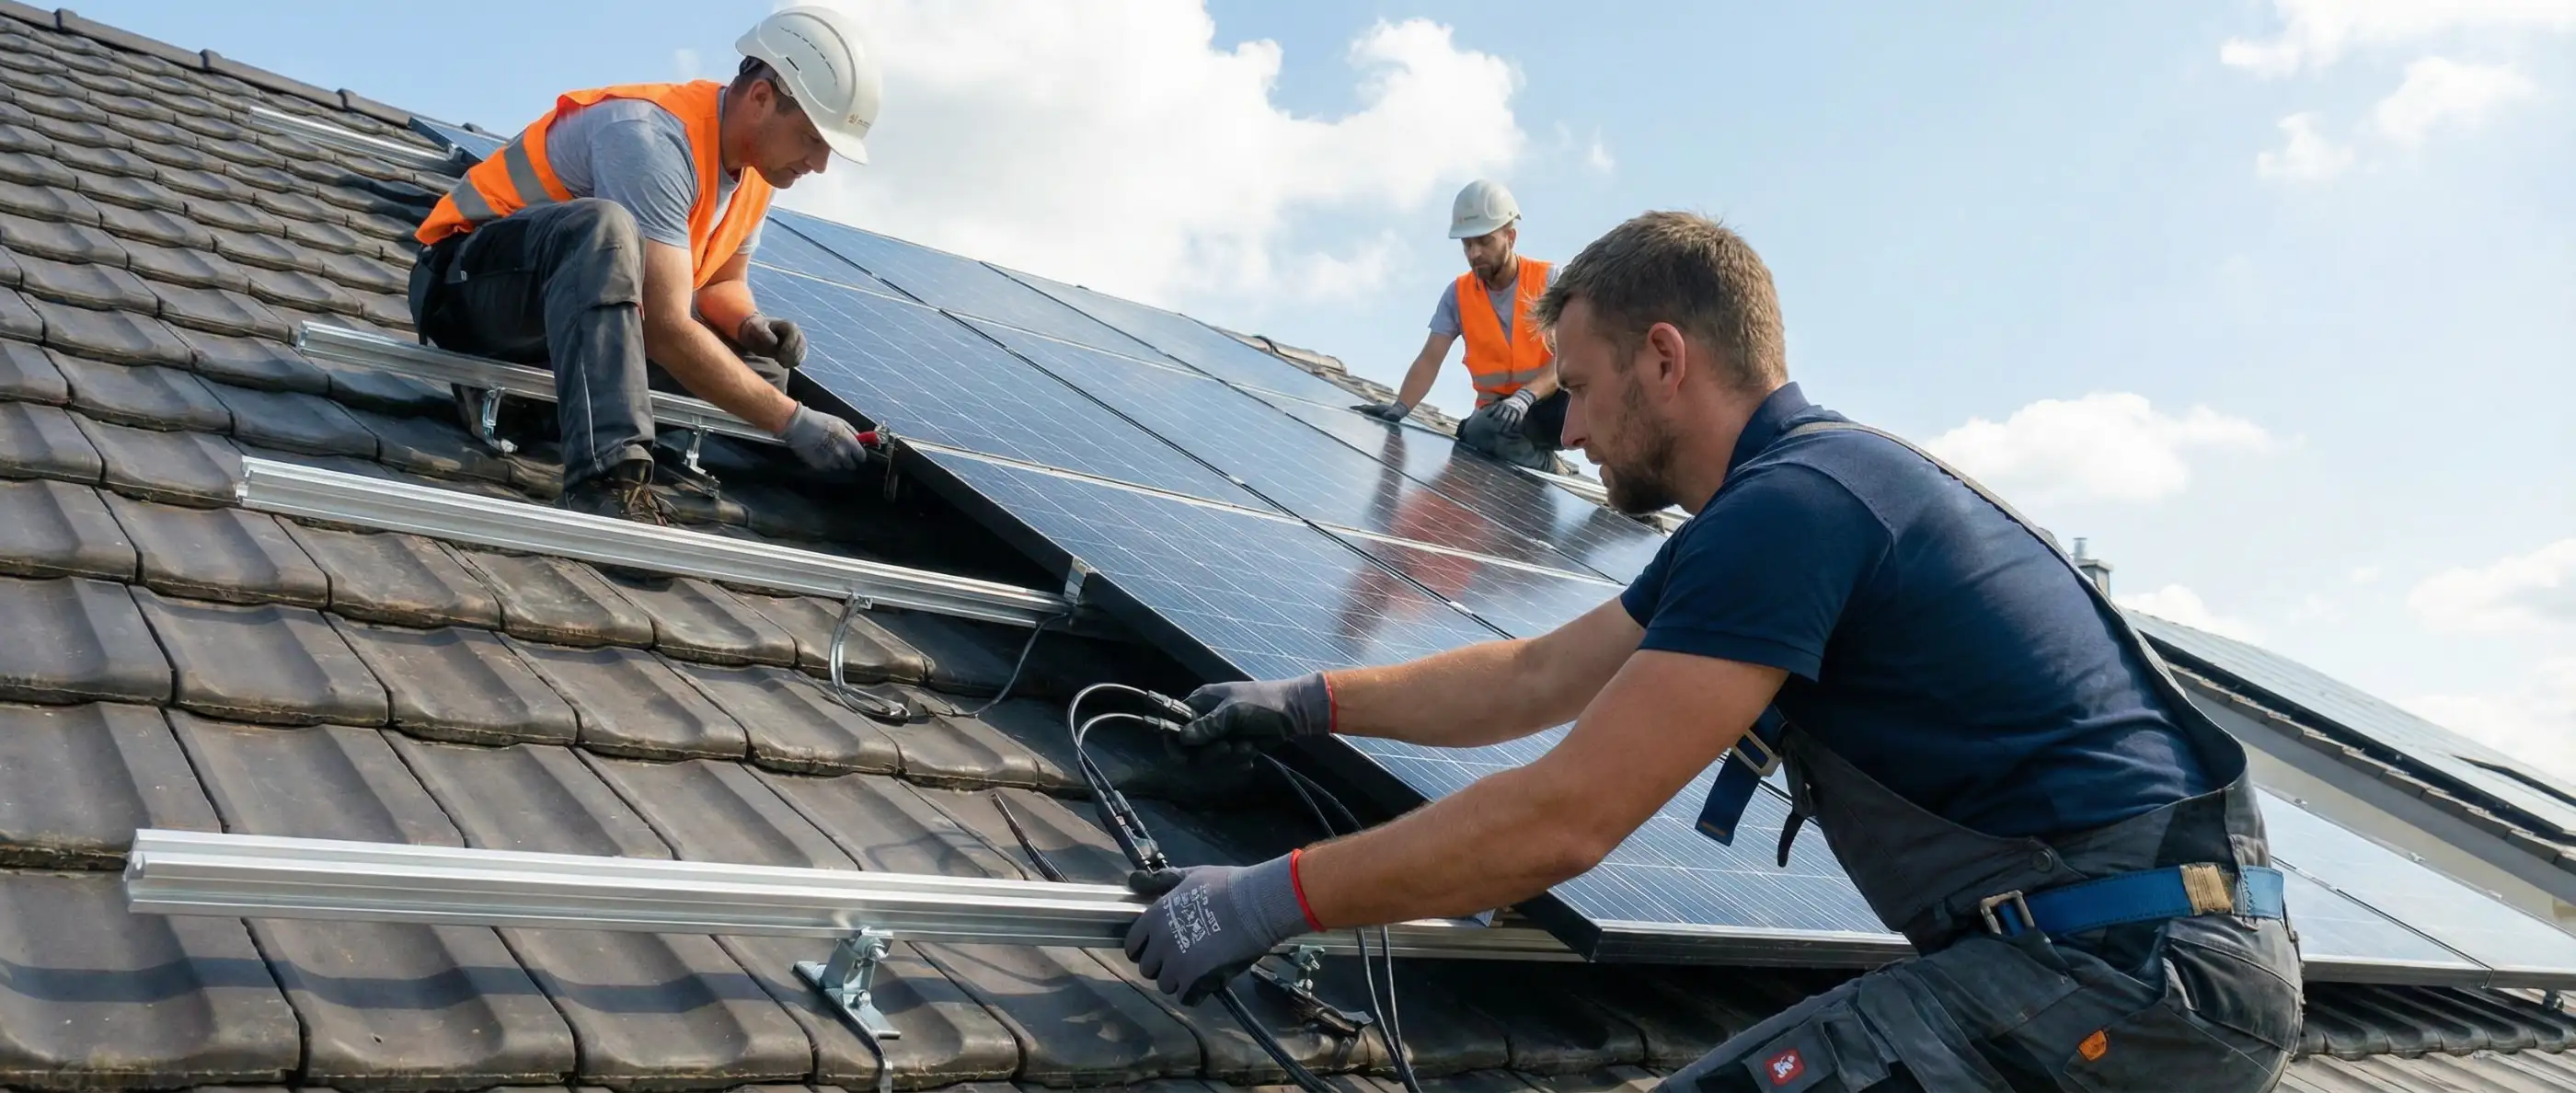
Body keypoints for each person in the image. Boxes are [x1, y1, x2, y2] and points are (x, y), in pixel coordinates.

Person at [1130, 213, 2300, 1092]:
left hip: (2123, 971)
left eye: (1579, 390)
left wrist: (1268, 898)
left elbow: (1563, 821)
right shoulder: (1798, 495)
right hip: (2147, 962)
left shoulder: (1794, 511)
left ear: (1664, 358)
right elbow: (1539, 677)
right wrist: (1310, 700)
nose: (1568, 433)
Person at [406, 6, 883, 524]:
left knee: (763, 372)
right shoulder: (650, 139)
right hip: (470, 291)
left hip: (563, 320)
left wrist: (750, 326)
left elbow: (721, 281)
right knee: (603, 229)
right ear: (762, 98)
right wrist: (792, 422)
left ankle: (536, 412)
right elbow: (664, 327)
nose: (819, 164)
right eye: (812, 139)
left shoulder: (756, 173)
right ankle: (608, 479)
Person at [1354, 179, 1569, 470]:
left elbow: (1572, 355)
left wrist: (1526, 396)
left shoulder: (1549, 280)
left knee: (1602, 397)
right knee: (1479, 431)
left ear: (1510, 237)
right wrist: (1401, 407)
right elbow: (1430, 358)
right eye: (1467, 244)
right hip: (1500, 414)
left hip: (1552, 404)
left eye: (1484, 241)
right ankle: (1542, 463)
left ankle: (1562, 469)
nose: (1474, 253)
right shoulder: (1458, 295)